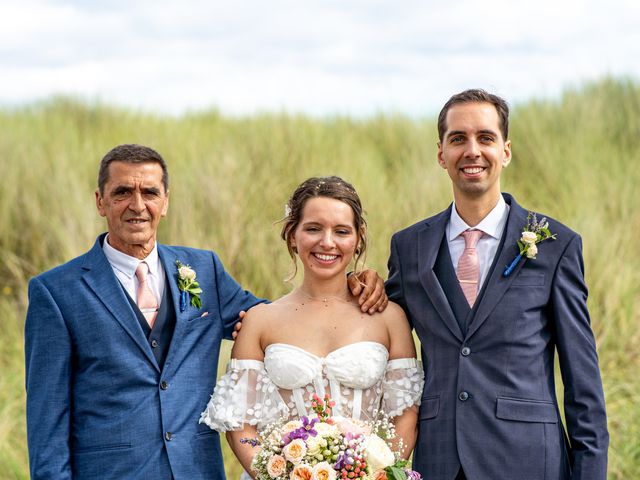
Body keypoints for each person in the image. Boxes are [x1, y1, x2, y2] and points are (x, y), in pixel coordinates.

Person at [24, 145, 387, 480]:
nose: (137, 205)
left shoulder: (203, 269)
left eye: (150, 192)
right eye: (122, 192)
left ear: (165, 202)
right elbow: (47, 418)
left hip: (196, 470)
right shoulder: (57, 292)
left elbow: (281, 320)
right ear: (101, 201)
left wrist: (349, 282)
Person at [386, 89, 609, 480]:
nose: (472, 150)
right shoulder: (408, 247)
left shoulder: (556, 244)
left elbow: (583, 386)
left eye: (485, 138)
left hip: (528, 461)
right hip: (438, 462)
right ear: (441, 154)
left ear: (505, 151)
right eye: (458, 139)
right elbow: (380, 335)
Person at [200, 176, 424, 479]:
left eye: (341, 231)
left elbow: (406, 416)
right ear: (293, 235)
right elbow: (241, 427)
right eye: (313, 228)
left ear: (358, 238)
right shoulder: (260, 320)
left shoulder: (388, 317)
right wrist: (273, 475)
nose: (327, 242)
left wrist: (377, 475)